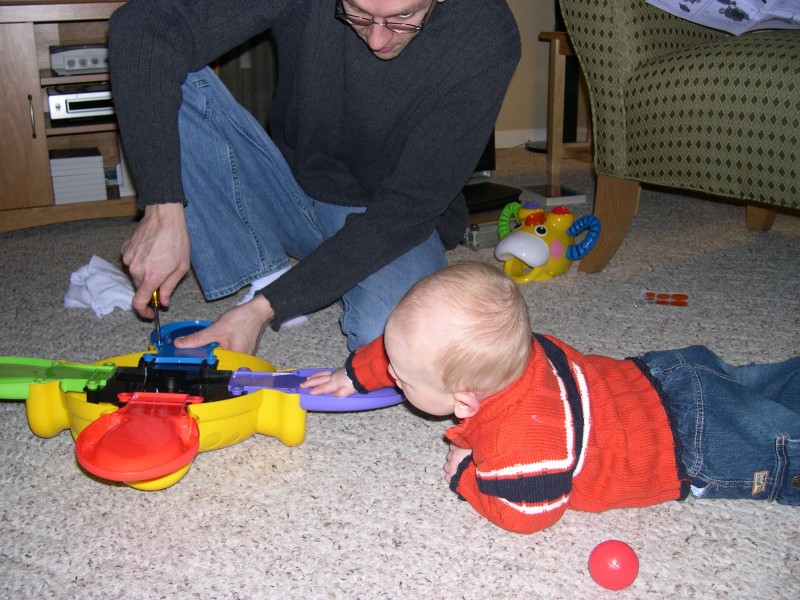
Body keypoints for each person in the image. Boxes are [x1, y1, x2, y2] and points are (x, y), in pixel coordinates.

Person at [107, 0, 521, 354]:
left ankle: (286, 282)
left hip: (387, 214)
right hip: (289, 186)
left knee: (390, 341)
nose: (376, 39)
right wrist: (163, 207)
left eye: (402, 18)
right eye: (356, 13)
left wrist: (265, 308)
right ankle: (264, 266)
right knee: (163, 72)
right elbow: (142, 26)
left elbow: (407, 211)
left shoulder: (486, 35)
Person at [301, 261, 800, 534]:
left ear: (464, 402)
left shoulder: (523, 438)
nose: (390, 373)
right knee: (765, 383)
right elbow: (405, 348)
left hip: (691, 448)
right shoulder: (509, 352)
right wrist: (355, 374)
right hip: (670, 378)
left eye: (402, 380)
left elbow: (530, 513)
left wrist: (465, 478)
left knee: (784, 446)